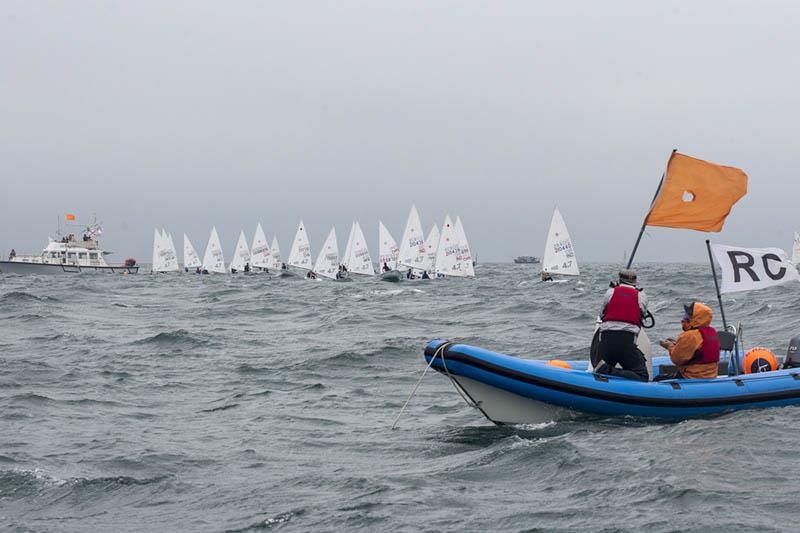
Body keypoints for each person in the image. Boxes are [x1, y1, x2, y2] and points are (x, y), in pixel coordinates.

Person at [595, 269, 650, 381]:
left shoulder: (610, 292)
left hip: (606, 340)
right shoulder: (641, 295)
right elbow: (642, 315)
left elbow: (601, 314)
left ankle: (604, 370)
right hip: (626, 342)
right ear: (635, 282)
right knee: (642, 376)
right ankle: (607, 370)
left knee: (604, 370)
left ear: (620, 280)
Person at [656, 302, 720, 380]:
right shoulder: (712, 332)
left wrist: (669, 346)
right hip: (711, 376)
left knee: (658, 379)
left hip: (692, 376)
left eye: (688, 315)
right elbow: (697, 350)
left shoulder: (689, 336)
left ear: (695, 318)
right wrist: (677, 345)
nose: (685, 317)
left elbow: (677, 359)